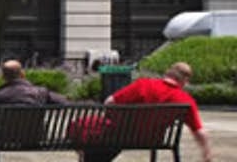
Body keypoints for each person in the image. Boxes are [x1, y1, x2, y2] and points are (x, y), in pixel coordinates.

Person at [83, 62, 211, 162]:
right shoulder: (186, 100)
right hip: (153, 139)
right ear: (184, 82)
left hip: (123, 136)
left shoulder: (143, 84)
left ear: (167, 73)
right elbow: (200, 132)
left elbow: (109, 102)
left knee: (94, 134)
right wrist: (206, 154)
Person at [0, 59, 68, 106]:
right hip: (35, 134)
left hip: (4, 134)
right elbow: (64, 101)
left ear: (3, 77)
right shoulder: (41, 92)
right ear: (22, 74)